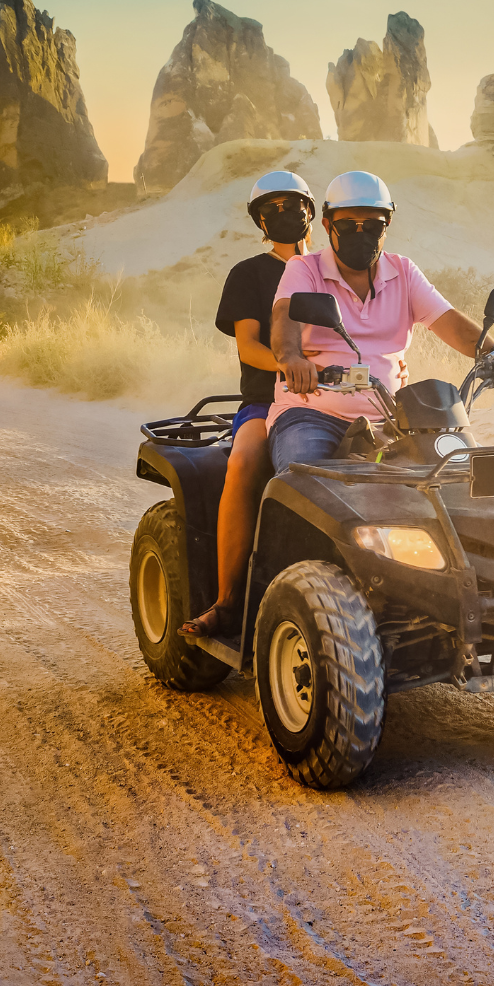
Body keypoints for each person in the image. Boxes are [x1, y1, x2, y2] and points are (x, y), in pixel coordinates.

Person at [269, 170, 494, 470]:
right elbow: (285, 315)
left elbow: (450, 323)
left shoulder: (403, 272)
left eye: (372, 225)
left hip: (391, 418)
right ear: (327, 224)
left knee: (460, 476)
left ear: (387, 225)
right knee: (306, 481)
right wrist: (290, 358)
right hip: (313, 416)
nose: (360, 233)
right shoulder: (304, 269)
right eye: (347, 225)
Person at [179, 171, 315, 638]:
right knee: (244, 460)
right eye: (271, 209)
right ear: (259, 219)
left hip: (340, 400)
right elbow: (248, 347)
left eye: (292, 206)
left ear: (311, 212)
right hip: (267, 399)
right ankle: (227, 600)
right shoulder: (249, 274)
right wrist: (291, 367)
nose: (284, 215)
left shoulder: (332, 271)